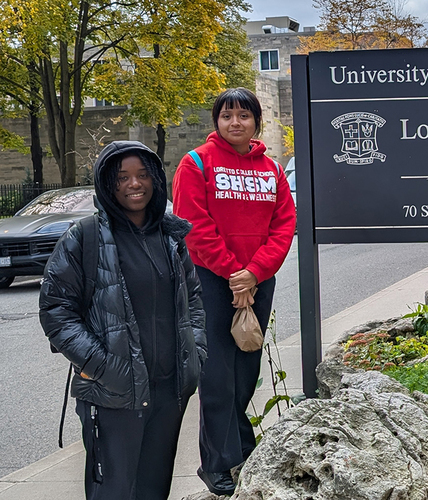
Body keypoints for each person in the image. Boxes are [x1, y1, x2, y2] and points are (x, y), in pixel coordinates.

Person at [39, 141, 207, 499]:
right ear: (107, 184)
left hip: (168, 390)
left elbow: (192, 299)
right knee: (114, 491)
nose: (135, 184)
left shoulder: (170, 235)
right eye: (122, 177)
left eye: (143, 175)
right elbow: (56, 310)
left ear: (156, 180)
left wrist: (196, 353)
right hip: (113, 394)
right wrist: (102, 365)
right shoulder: (83, 237)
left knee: (153, 488)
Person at [172, 87, 296, 495]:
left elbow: (283, 225)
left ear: (256, 122)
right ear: (216, 122)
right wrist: (232, 273)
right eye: (227, 116)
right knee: (217, 374)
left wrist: (254, 273)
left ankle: (241, 449)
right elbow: (193, 225)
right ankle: (219, 464)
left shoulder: (273, 171)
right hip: (209, 278)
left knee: (246, 369)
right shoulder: (195, 165)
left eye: (244, 115)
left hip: (259, 280)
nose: (235, 122)